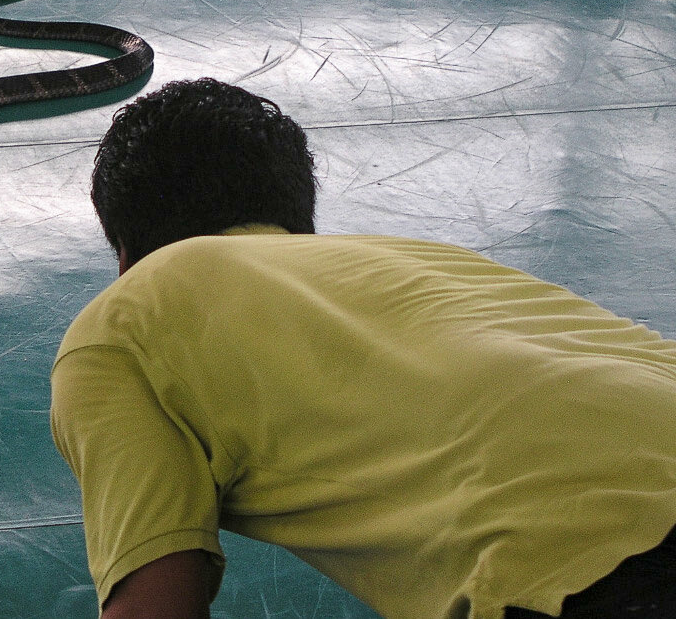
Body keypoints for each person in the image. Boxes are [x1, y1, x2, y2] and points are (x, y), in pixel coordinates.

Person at [48, 78, 676, 619]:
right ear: (298, 218)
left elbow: (156, 607)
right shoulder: (433, 260)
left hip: (594, 559)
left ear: (125, 253)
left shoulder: (125, 321)